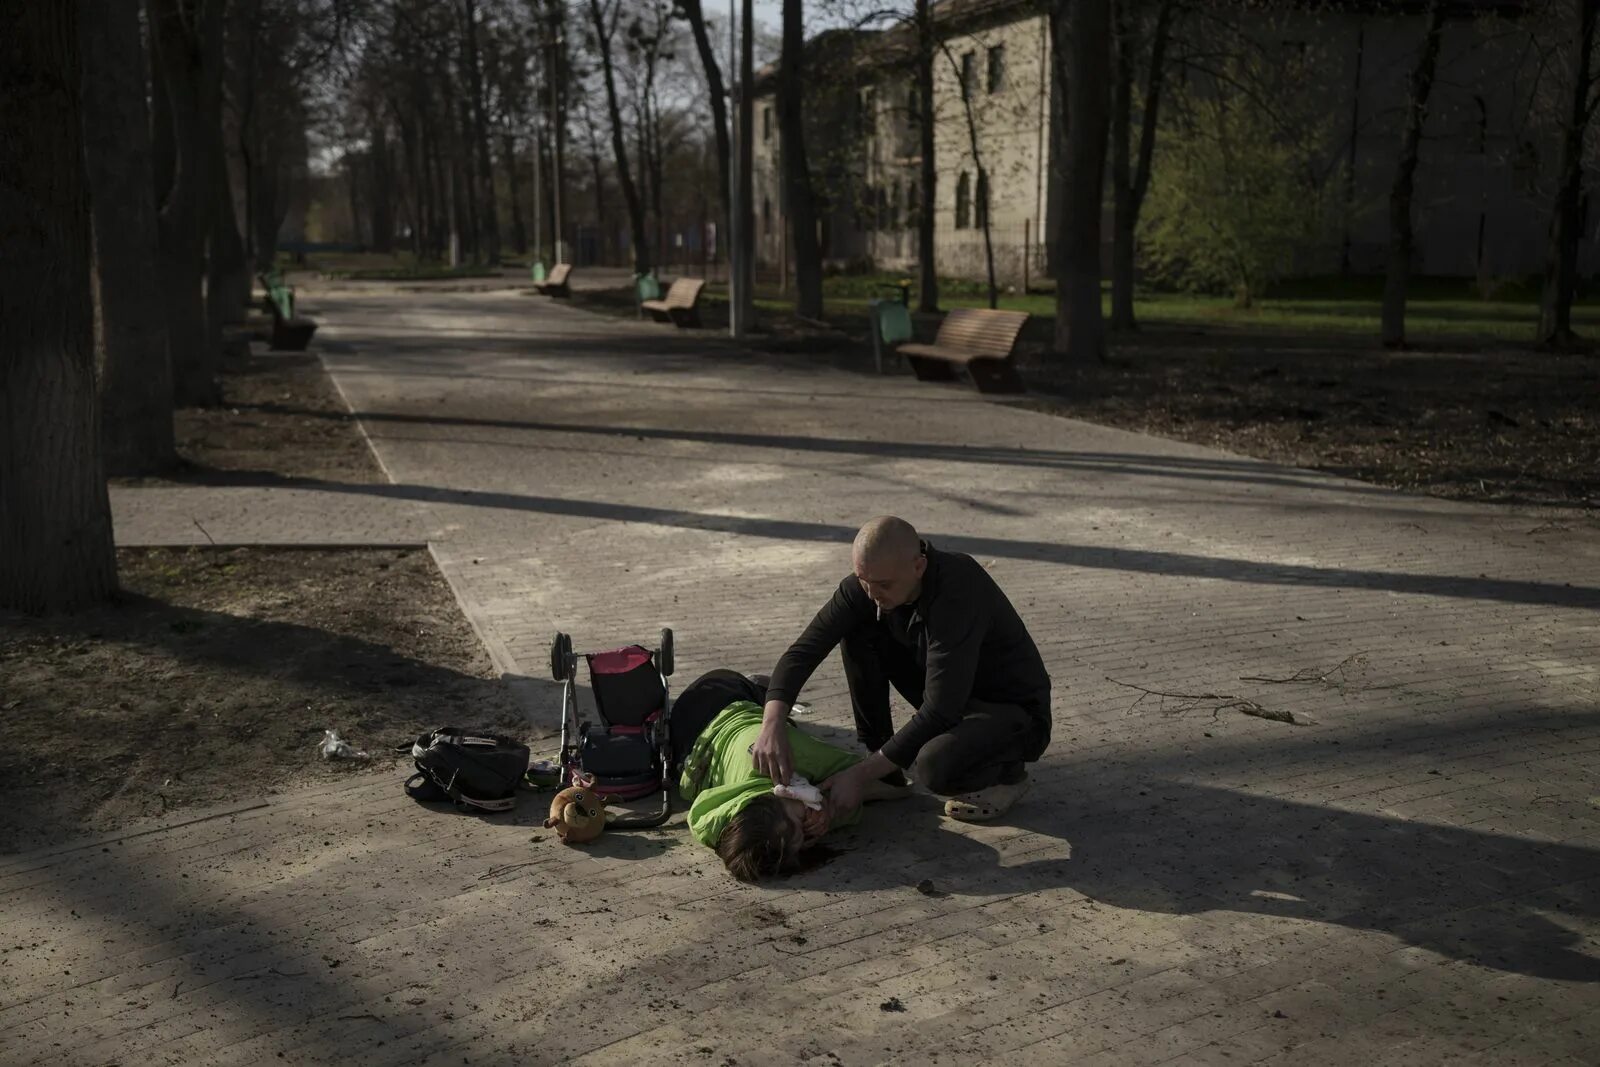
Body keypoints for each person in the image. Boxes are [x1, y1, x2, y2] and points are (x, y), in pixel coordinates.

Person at [753, 516, 1051, 823]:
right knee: (859, 628)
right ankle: (884, 768)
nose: (871, 592)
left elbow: (940, 710)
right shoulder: (871, 583)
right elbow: (804, 652)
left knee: (936, 766)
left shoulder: (958, 589)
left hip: (1012, 712)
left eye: (883, 584)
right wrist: (772, 724)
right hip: (953, 697)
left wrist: (856, 776)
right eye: (863, 580)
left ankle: (1007, 776)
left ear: (918, 566)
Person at [674, 668, 904, 882]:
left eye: (799, 823)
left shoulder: (790, 752)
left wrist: (831, 801)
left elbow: (891, 779)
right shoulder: (724, 819)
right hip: (684, 728)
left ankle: (761, 685)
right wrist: (826, 809)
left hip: (722, 690)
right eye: (805, 838)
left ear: (779, 794)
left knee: (778, 712)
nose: (809, 826)